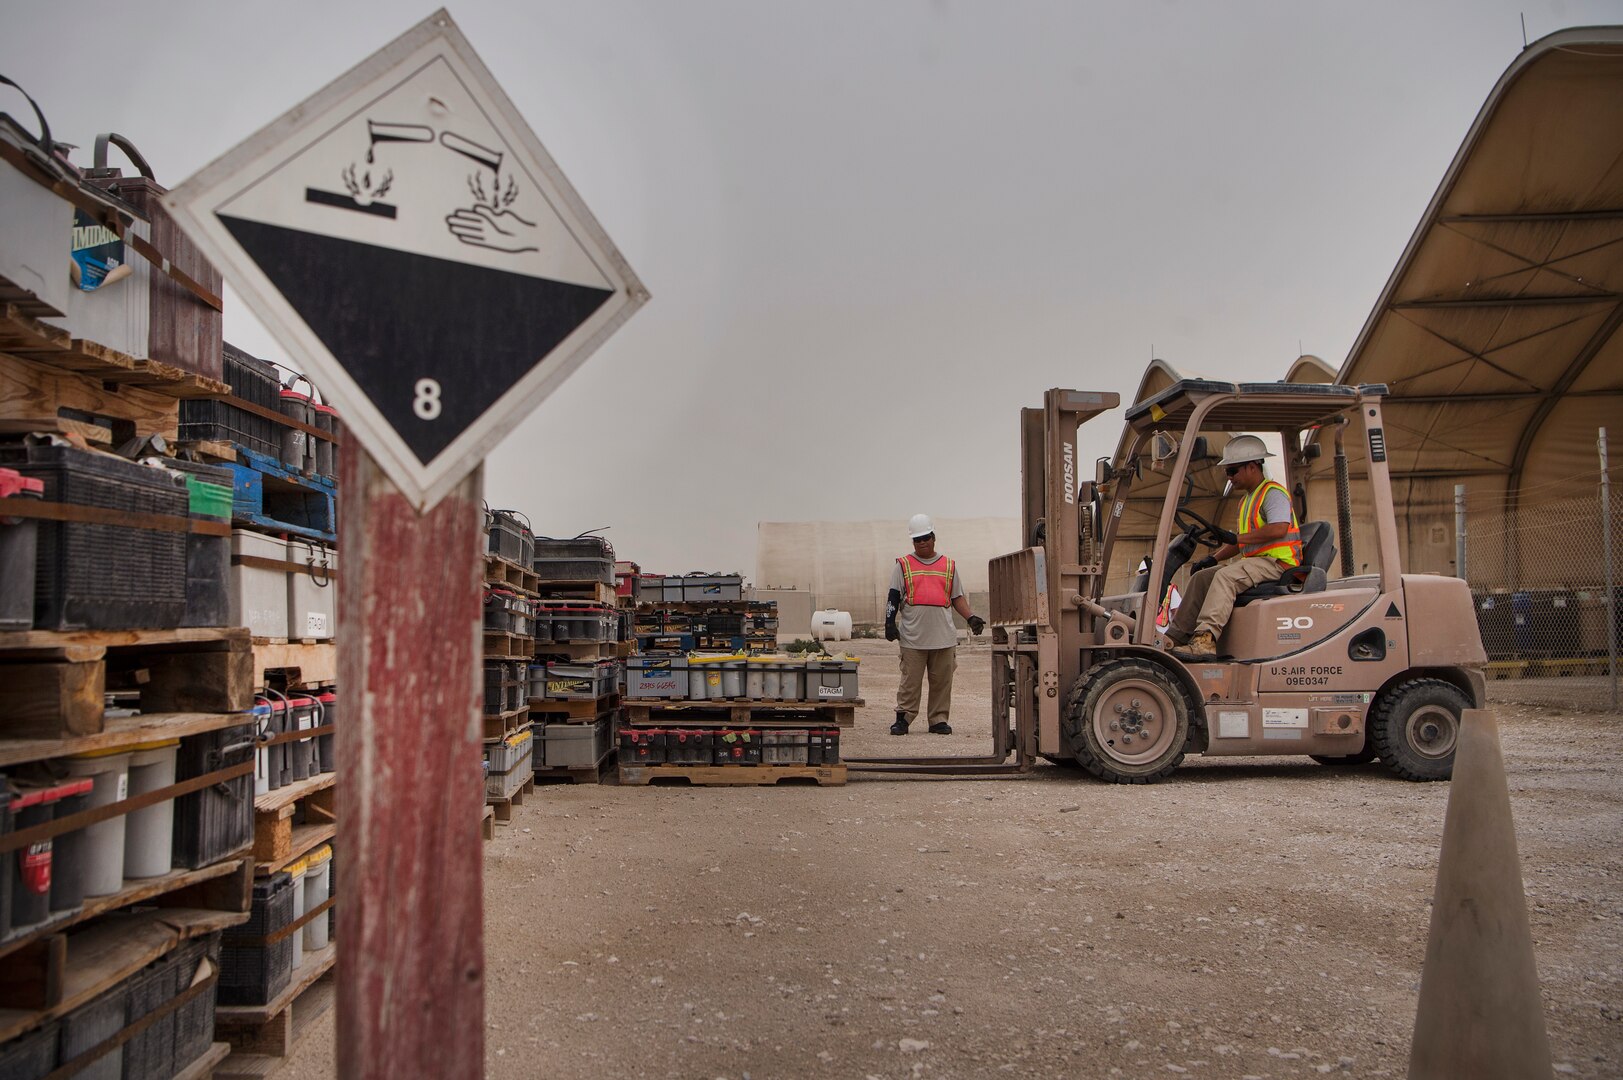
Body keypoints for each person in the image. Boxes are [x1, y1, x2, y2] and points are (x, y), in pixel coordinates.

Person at [1163, 435, 1301, 660]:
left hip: (1279, 564)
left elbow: (1278, 529)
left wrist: (1237, 539)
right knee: (1202, 577)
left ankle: (1204, 641)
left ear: (1252, 466)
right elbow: (1241, 541)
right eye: (1227, 472)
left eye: (1233, 471)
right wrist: (1213, 559)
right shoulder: (1246, 500)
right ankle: (1175, 637)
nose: (1229, 477)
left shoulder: (1272, 493)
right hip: (1256, 563)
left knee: (1225, 577)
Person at [885, 514, 984, 734]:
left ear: (934, 537)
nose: (922, 543)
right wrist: (889, 623)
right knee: (910, 682)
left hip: (943, 638)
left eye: (925, 538)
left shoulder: (948, 565)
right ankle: (904, 718)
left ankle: (938, 719)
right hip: (913, 638)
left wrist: (971, 617)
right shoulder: (902, 565)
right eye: (917, 539)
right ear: (913, 542)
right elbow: (893, 596)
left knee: (941, 681)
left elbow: (956, 597)